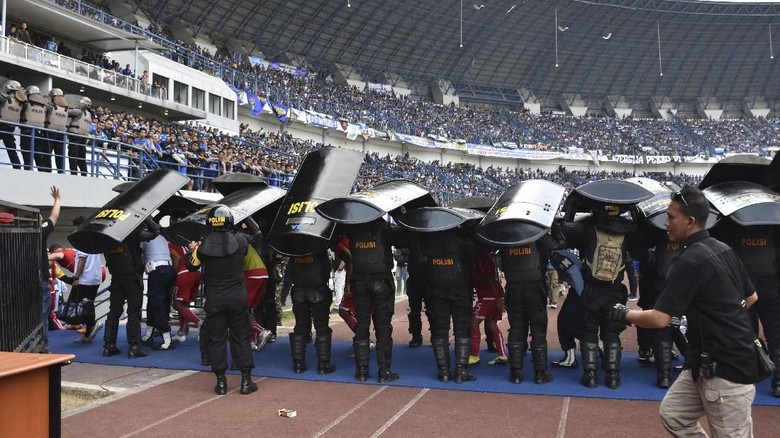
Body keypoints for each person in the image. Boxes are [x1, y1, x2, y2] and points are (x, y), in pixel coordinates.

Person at [609, 185, 759, 437]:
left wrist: (625, 313)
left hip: (726, 368)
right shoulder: (723, 248)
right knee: (674, 414)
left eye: (670, 217)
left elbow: (659, 319)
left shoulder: (689, 260)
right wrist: (724, 317)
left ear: (690, 222)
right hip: (705, 360)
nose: (665, 222)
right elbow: (751, 297)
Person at [557, 202, 636, 389]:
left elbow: (563, 229)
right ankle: (613, 376)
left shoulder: (588, 230)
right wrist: (634, 211)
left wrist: (573, 208)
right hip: (615, 291)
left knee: (589, 332)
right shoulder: (629, 233)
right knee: (611, 333)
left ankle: (590, 375)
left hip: (591, 291)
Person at [187, 205, 257, 395]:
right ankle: (245, 381)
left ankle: (221, 383)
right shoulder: (240, 241)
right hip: (237, 298)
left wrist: (191, 249)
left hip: (215, 300)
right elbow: (257, 233)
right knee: (241, 338)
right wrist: (246, 214)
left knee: (216, 340)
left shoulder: (203, 246)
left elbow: (191, 266)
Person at [344, 218, 406, 383]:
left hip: (360, 281)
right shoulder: (383, 227)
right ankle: (384, 371)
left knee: (362, 326)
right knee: (383, 325)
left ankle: (361, 371)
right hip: (381, 280)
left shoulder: (352, 227)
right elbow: (403, 238)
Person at [420, 227, 479, 383]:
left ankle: (444, 372)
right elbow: (477, 251)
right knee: (462, 331)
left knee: (439, 331)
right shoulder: (462, 242)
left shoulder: (429, 242)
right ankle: (461, 371)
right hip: (460, 292)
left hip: (437, 293)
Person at [498, 234, 557, 384]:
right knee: (538, 330)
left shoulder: (505, 236)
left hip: (513, 288)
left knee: (517, 328)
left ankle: (516, 373)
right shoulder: (536, 233)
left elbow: (500, 262)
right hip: (535, 288)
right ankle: (540, 373)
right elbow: (556, 244)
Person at [286, 238, 349, 375]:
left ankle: (298, 363)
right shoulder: (318, 247)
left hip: (299, 291)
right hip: (318, 290)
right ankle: (323, 364)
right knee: (321, 327)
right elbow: (326, 270)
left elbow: (289, 273)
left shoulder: (294, 250)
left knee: (300, 327)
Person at [102, 218, 158, 359]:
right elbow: (156, 231)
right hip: (132, 277)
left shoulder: (107, 235)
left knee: (114, 312)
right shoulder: (130, 230)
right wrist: (144, 217)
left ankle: (109, 345)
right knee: (133, 312)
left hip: (116, 277)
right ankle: (134, 346)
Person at [468, 250, 507, 367]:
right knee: (492, 325)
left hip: (488, 296)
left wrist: (497, 298)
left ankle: (474, 355)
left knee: (473, 322)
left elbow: (490, 276)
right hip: (494, 295)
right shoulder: (489, 257)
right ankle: (502, 355)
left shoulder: (480, 257)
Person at [140, 234, 177, 350]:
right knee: (162, 302)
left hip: (156, 271)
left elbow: (137, 253)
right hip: (168, 269)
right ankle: (149, 333)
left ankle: (166, 339)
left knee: (156, 303)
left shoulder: (144, 237)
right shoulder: (162, 237)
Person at [38, 186, 61, 351]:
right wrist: (57, 200)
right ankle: (43, 347)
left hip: (18, 278)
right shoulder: (40, 231)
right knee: (43, 315)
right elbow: (54, 217)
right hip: (40, 278)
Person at [0, 80, 25, 170]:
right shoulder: (21, 102)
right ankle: (17, 167)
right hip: (10, 128)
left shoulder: (4, 99)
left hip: (1, 125)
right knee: (12, 150)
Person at [66, 96, 93, 176]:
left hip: (75, 136)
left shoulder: (78, 111)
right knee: (81, 158)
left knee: (73, 156)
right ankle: (84, 174)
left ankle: (73, 173)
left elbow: (66, 112)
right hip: (83, 138)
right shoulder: (89, 115)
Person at [44, 88, 69, 173]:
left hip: (50, 132)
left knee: (47, 154)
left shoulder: (50, 106)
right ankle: (61, 171)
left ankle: (48, 171)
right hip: (61, 134)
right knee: (60, 156)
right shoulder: (66, 108)